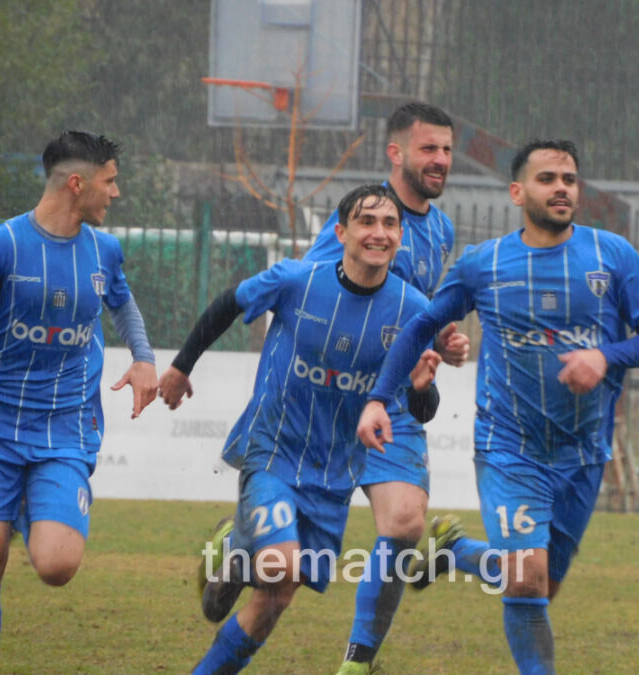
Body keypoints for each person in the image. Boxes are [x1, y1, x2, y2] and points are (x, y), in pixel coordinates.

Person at [357, 140, 639, 673]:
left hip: (583, 452)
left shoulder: (612, 255)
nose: (561, 188)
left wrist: (605, 355)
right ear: (517, 192)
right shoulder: (484, 264)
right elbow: (419, 326)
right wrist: (378, 400)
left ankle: (456, 553)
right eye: (547, 179)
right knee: (525, 580)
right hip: (509, 448)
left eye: (569, 179)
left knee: (539, 585)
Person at [158, 184, 442, 674]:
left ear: (400, 237)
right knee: (282, 566)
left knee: (277, 596)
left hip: (335, 472)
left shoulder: (414, 310)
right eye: (366, 222)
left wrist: (421, 387)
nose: (378, 233)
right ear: (341, 232)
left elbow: (422, 409)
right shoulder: (297, 280)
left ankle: (235, 551)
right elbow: (230, 303)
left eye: (389, 224)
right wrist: (182, 367)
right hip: (273, 449)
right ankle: (240, 546)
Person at [0, 130, 158, 675]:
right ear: (76, 183)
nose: (116, 193)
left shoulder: (104, 250)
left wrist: (144, 357)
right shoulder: (2, 245)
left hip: (65, 427)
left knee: (57, 565)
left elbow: (122, 304)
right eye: (109, 181)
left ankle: (31, 503)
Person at [304, 101, 470, 674]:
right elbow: (314, 289)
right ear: (395, 153)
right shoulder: (364, 218)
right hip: (333, 396)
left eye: (447, 149)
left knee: (403, 524)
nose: (440, 159)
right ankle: (236, 549)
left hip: (393, 398)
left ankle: (358, 661)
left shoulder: (441, 228)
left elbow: (419, 311)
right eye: (429, 148)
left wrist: (442, 339)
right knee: (290, 561)